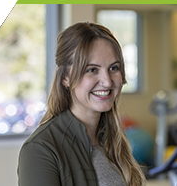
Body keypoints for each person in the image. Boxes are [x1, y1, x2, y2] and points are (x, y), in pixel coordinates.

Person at [18, 22, 146, 186]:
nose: (107, 82)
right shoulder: (40, 149)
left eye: (114, 68)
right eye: (92, 70)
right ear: (65, 78)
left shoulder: (113, 140)